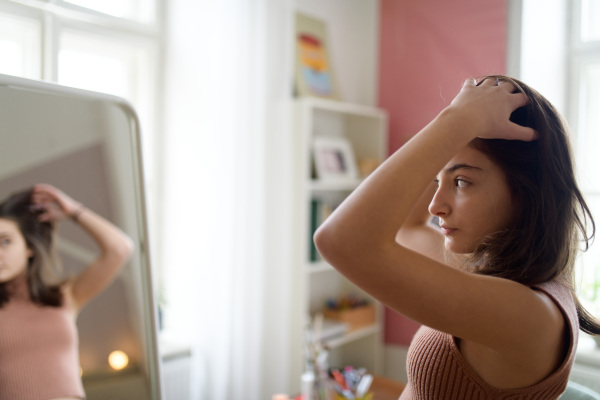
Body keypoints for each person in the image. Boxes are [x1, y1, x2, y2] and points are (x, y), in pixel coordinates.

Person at [314, 75, 600, 399]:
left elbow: (341, 239)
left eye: (462, 182)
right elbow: (407, 228)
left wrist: (459, 120)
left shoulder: (530, 314)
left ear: (525, 193)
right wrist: (455, 126)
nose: (436, 206)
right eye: (437, 181)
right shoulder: (483, 269)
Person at [0, 183, 133, 400]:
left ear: (29, 247)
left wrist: (73, 211)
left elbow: (120, 249)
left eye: (5, 241)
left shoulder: (64, 297)